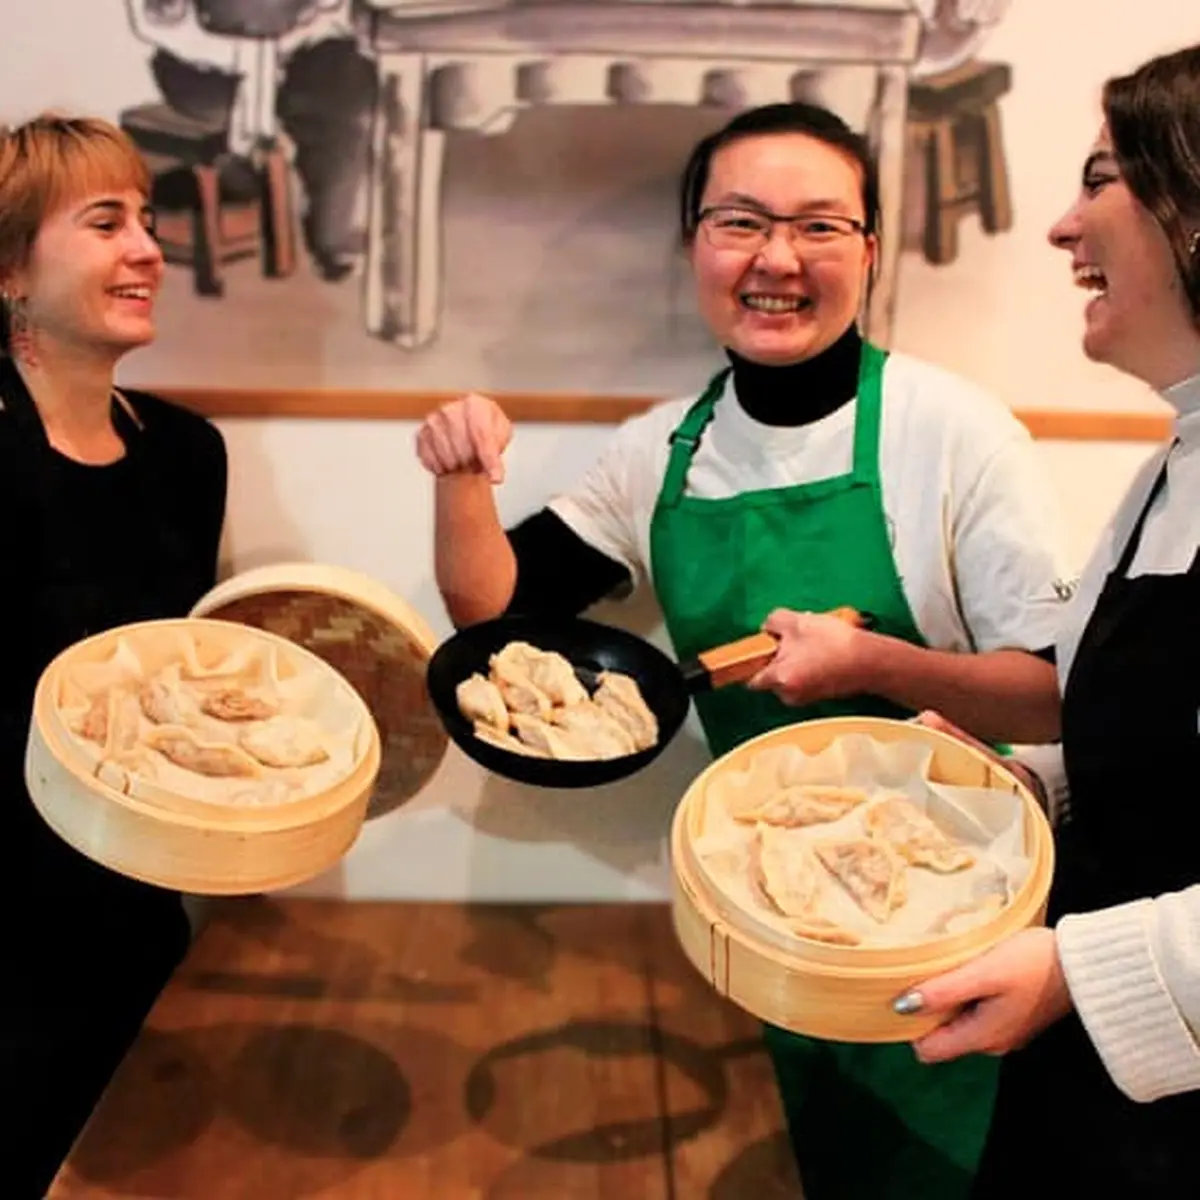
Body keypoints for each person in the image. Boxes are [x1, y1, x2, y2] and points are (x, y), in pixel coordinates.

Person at [416, 102, 1072, 1198]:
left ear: (871, 250)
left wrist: (874, 668)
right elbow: (500, 621)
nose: (778, 258)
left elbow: (1053, 695)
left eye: (820, 226)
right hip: (772, 916)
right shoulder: (658, 453)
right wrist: (459, 475)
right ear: (694, 246)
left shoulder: (951, 430)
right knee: (827, 1159)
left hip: (955, 916)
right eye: (741, 223)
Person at [895, 42, 1200, 1199]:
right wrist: (1039, 785)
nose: (1062, 229)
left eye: (1099, 177)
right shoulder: (1176, 455)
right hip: (1092, 1070)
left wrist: (1080, 969)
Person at [0, 114, 227, 1197]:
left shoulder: (186, 454)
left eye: (146, 219)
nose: (148, 248)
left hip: (137, 920)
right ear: (9, 268)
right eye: (105, 222)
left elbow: (189, 687)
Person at [126, 0, 376, 282]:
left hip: (304, 45)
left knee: (347, 95)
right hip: (201, 60)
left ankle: (333, 234)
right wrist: (253, 60)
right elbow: (153, 21)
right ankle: (241, 191)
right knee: (225, 122)